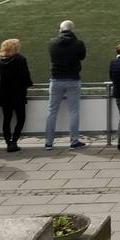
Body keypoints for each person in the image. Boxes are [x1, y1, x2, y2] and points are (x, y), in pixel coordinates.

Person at [45, 20, 87, 150]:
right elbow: (82, 56)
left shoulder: (52, 43)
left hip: (56, 79)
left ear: (60, 29)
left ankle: (49, 142)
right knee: (74, 111)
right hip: (73, 79)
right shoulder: (78, 43)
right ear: (72, 30)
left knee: (52, 111)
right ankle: (74, 140)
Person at [0, 40, 31, 153]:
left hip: (5, 95)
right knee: (21, 118)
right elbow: (26, 78)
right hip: (18, 94)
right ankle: (14, 141)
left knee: (6, 119)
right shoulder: (20, 60)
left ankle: (8, 142)